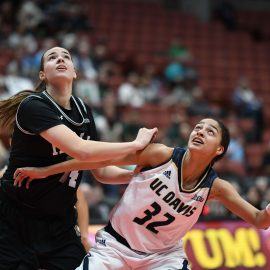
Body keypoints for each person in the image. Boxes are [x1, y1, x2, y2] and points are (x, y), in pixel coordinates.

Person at [14, 118, 270, 270]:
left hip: (163, 257)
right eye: (198, 127)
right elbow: (94, 160)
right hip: (115, 246)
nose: (200, 131)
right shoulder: (160, 155)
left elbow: (260, 220)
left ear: (220, 150)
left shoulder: (216, 188)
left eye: (209, 131)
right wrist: (46, 170)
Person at [0, 46, 157, 270]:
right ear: (43, 74)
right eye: (52, 58)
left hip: (60, 224)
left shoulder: (83, 110)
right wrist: (136, 145)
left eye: (66, 57)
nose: (60, 59)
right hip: (16, 219)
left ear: (75, 71)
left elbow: (101, 171)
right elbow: (81, 150)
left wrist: (136, 175)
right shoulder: (33, 106)